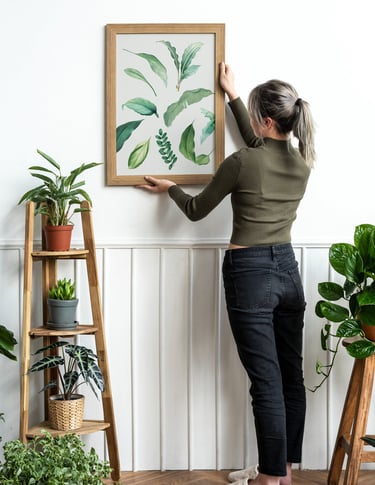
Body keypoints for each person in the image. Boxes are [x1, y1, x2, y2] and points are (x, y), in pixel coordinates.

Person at [138, 62, 315, 485]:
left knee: (266, 382)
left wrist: (170, 189)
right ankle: (284, 471)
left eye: (255, 114)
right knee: (291, 376)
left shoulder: (241, 162)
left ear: (268, 120)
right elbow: (261, 144)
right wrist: (233, 96)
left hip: (250, 274)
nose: (251, 122)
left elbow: (198, 211)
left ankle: (271, 479)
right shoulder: (302, 163)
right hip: (289, 272)